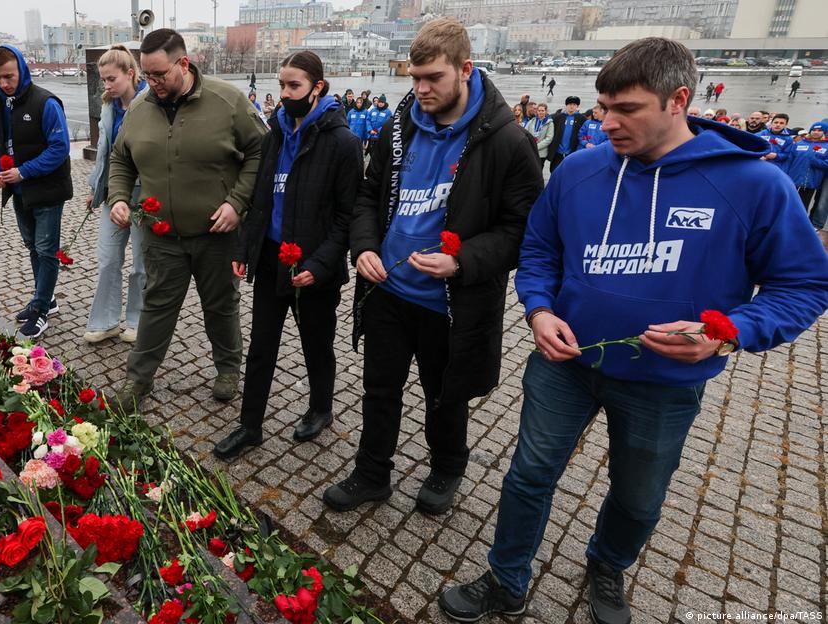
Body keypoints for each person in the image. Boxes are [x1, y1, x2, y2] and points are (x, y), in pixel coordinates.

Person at [438, 37, 828, 624]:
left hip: (664, 382)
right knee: (528, 475)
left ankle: (607, 564)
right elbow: (540, 250)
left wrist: (728, 332)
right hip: (565, 366)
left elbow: (803, 286)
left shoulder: (754, 184)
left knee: (638, 496)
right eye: (603, 106)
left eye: (627, 109)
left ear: (679, 100)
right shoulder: (578, 170)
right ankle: (506, 577)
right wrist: (540, 310)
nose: (607, 122)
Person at [322, 17, 542, 515]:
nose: (420, 89)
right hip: (387, 290)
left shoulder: (508, 141)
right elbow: (366, 197)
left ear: (465, 69)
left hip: (451, 303)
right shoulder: (399, 127)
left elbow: (523, 231)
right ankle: (372, 472)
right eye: (413, 78)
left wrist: (461, 259)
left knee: (445, 395)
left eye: (432, 79)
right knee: (379, 389)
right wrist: (366, 249)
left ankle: (447, 467)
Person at [106, 29, 266, 412]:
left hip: (217, 233)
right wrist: (117, 198)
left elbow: (261, 151)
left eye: (159, 74)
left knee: (221, 305)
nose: (152, 83)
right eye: (146, 75)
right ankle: (138, 379)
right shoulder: (140, 109)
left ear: (183, 63)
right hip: (161, 235)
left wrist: (237, 202)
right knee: (156, 306)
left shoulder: (227, 101)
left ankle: (228, 369)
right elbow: (119, 159)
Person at [214, 51, 362, 460]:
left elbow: (348, 216)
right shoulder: (274, 134)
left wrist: (321, 263)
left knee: (317, 343)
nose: (284, 93)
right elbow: (260, 198)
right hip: (270, 258)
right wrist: (245, 247)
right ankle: (250, 425)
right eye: (281, 85)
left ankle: (321, 407)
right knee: (262, 343)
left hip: (315, 267)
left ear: (317, 87)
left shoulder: (342, 143)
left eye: (293, 85)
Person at [0, 45, 73, 338]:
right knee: (33, 246)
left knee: (46, 250)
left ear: (22, 69)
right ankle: (45, 297)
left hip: (47, 188)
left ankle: (40, 310)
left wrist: (23, 171)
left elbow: (60, 148)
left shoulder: (46, 103)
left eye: (9, 76)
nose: (4, 83)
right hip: (19, 191)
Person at [84, 45, 149, 345]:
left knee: (141, 263)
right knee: (108, 258)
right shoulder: (110, 105)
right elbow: (105, 153)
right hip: (114, 192)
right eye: (103, 80)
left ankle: (137, 320)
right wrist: (95, 188)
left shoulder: (151, 101)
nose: (107, 85)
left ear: (130, 73)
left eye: (112, 79)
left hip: (146, 193)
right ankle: (106, 321)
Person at [785, 122, 828, 209]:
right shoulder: (800, 143)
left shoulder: (826, 146)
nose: (816, 132)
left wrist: (815, 161)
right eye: (814, 130)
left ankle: (799, 222)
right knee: (787, 204)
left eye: (819, 130)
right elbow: (789, 160)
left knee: (802, 207)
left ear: (824, 132)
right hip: (792, 181)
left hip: (809, 184)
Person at [548, 95, 583, 172]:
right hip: (558, 152)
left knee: (569, 173)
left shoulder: (581, 119)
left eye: (574, 105)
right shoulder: (558, 117)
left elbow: (585, 134)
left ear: (577, 106)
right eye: (570, 104)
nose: (572, 107)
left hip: (571, 152)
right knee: (554, 171)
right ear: (566, 106)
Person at [523, 102, 554, 169]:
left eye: (542, 110)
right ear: (537, 111)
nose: (541, 112)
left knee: (538, 171)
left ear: (546, 111)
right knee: (529, 170)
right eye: (539, 110)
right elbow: (525, 133)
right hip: (531, 151)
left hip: (541, 153)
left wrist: (536, 147)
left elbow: (549, 138)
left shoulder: (549, 123)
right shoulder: (532, 121)